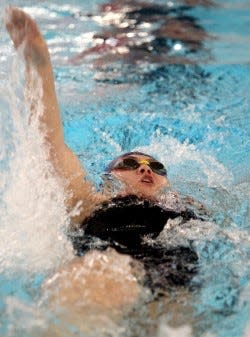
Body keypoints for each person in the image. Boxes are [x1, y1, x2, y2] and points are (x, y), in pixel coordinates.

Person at [5, 6, 206, 315]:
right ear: (106, 179)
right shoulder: (88, 201)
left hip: (176, 285)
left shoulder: (189, 209)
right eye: (129, 164)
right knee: (98, 277)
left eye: (156, 167)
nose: (143, 168)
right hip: (109, 269)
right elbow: (50, 142)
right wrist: (39, 63)